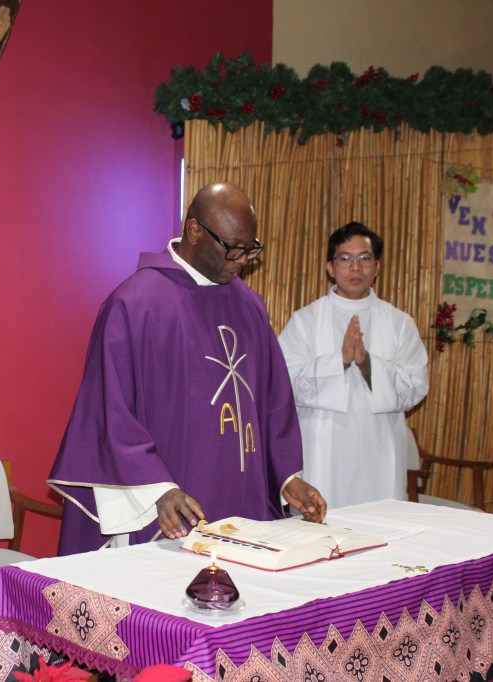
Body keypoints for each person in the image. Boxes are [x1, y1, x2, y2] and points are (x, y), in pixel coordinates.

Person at [48, 182, 326, 555]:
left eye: (250, 248)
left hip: (245, 505)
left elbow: (274, 401)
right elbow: (108, 412)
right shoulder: (135, 304)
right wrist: (158, 489)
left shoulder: (250, 307)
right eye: (232, 247)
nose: (242, 260)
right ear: (194, 231)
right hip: (169, 511)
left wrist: (287, 478)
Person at [278, 222, 429, 509]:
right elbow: (284, 384)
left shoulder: (399, 324)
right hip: (322, 452)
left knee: (380, 524)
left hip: (381, 452)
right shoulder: (305, 321)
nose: (355, 267)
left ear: (377, 267)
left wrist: (367, 363)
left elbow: (415, 388)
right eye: (345, 258)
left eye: (365, 258)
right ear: (330, 267)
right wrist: (340, 361)